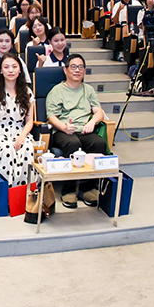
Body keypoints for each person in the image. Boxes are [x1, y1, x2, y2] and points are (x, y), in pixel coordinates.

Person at [44, 53, 108, 207]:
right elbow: (51, 116)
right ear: (66, 70)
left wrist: (92, 122)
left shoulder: (89, 90)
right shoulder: (57, 91)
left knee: (98, 143)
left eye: (81, 67)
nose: (77, 70)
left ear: (84, 71)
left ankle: (88, 188)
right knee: (73, 145)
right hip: (63, 131)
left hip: (85, 130)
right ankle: (69, 190)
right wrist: (64, 127)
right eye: (73, 67)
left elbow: (98, 111)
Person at [0, 53, 35, 194]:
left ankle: (25, 194)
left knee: (27, 148)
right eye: (6, 67)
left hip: (20, 131)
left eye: (14, 67)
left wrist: (22, 136)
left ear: (20, 70)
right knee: (8, 149)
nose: (11, 70)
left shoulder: (27, 92)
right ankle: (8, 193)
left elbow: (29, 122)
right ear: (1, 71)